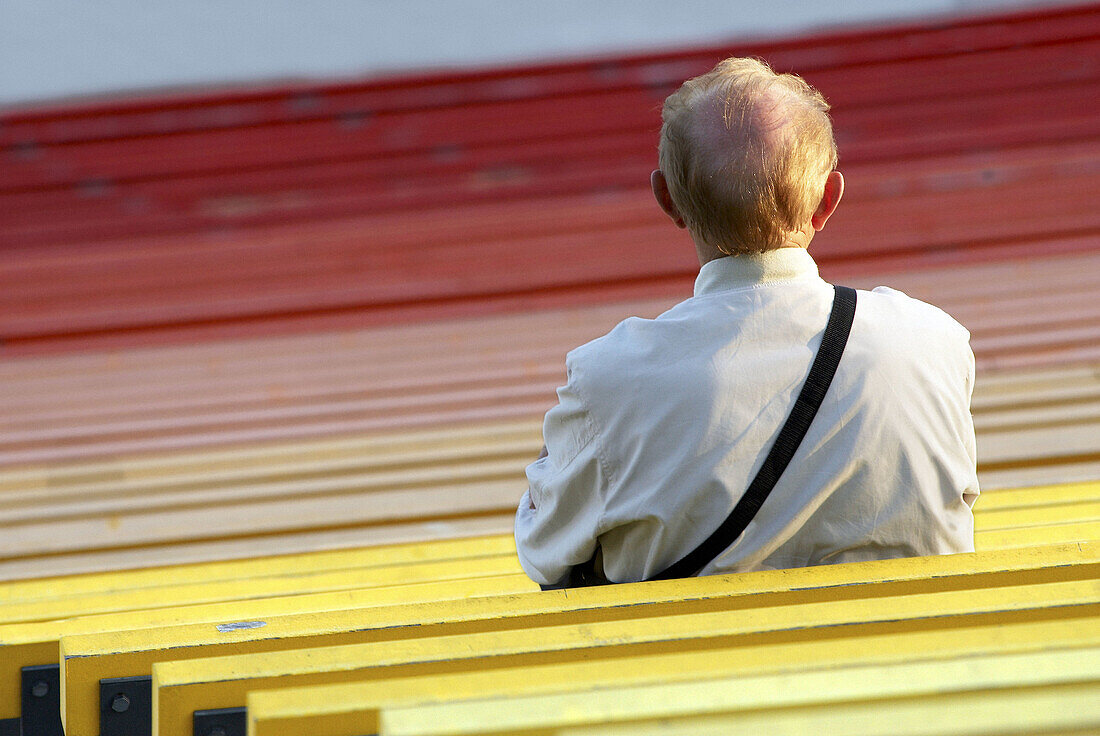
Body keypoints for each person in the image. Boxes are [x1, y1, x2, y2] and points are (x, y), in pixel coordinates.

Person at [514, 57, 979, 587]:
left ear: (668, 200)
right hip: (918, 659)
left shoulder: (607, 380)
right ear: (828, 199)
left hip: (693, 666)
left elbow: (547, 555)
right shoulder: (933, 342)